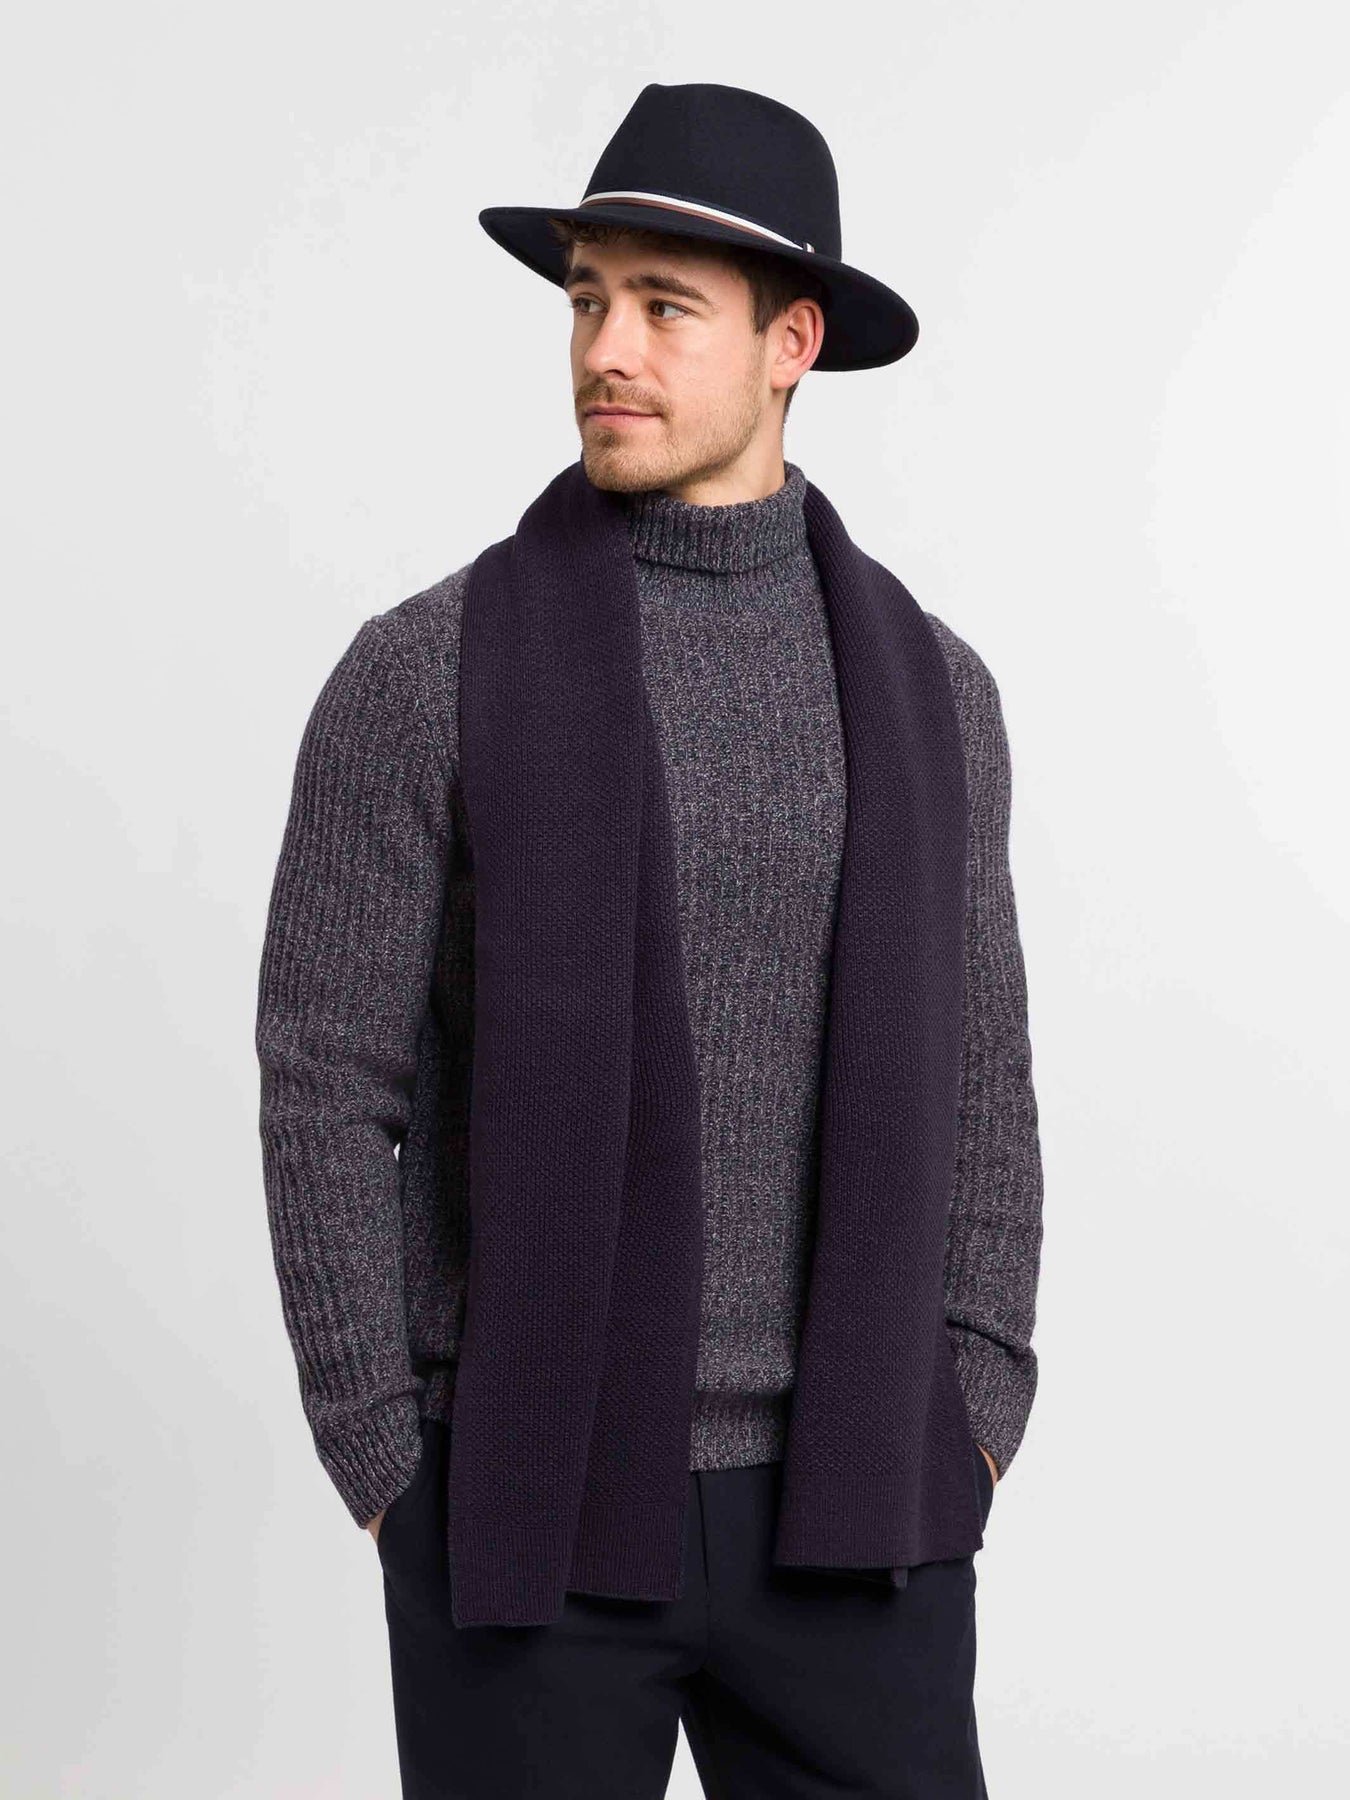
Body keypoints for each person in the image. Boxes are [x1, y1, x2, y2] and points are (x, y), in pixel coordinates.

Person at [256, 80, 1044, 1800]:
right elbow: (324, 1081)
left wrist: (974, 1403)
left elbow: (982, 1073)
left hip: (860, 1502)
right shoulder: (424, 671)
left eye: (665, 307)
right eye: (586, 300)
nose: (605, 350)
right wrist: (384, 1454)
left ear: (791, 345)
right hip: (522, 1507)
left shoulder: (933, 691)